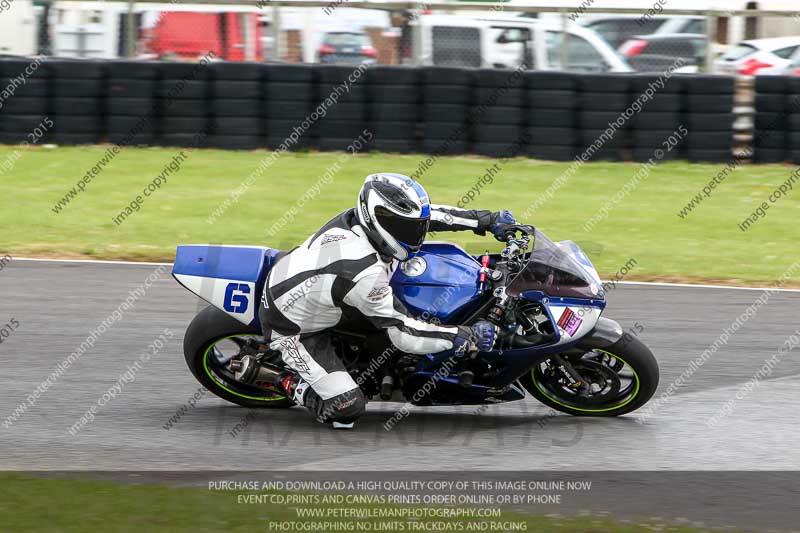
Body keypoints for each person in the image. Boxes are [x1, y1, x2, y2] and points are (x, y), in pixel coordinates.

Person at [259, 173, 517, 428]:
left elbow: (432, 216)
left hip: (320, 291)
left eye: (415, 226)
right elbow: (406, 335)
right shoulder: (363, 272)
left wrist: (487, 220)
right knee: (346, 406)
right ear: (377, 218)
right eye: (405, 228)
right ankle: (280, 379)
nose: (416, 234)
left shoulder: (366, 221)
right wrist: (466, 336)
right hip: (294, 328)